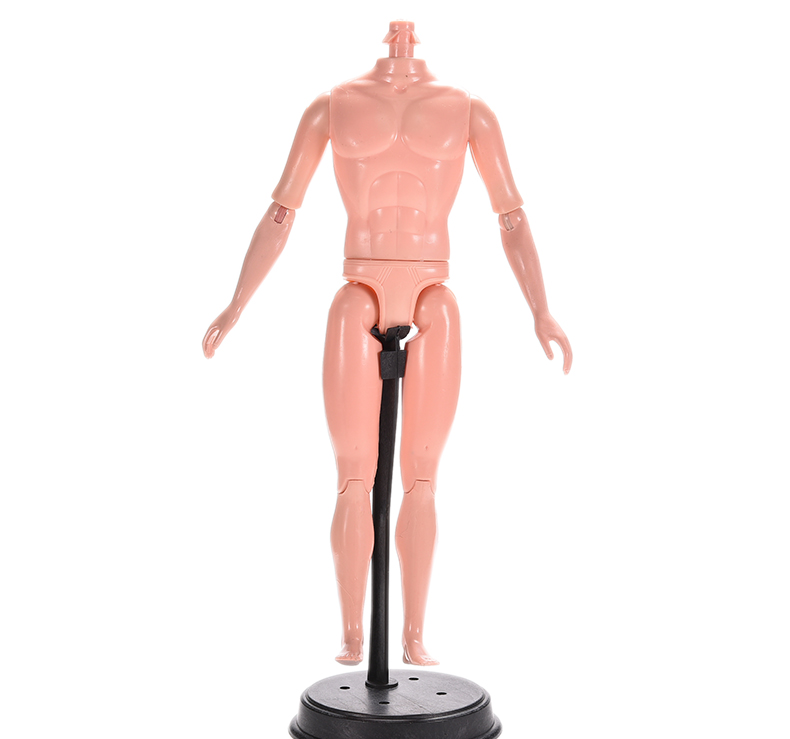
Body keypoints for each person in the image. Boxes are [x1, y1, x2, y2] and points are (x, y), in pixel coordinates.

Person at [203, 21, 572, 667]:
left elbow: (510, 217)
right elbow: (282, 212)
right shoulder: (331, 106)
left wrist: (541, 309)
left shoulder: (469, 111)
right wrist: (237, 303)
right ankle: (353, 635)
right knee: (353, 475)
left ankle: (414, 635)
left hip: (433, 290)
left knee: (421, 477)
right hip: (359, 287)